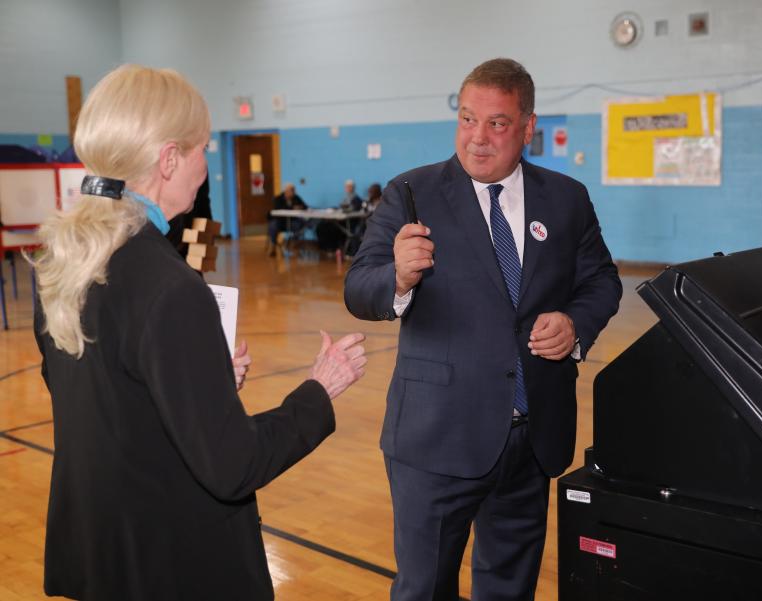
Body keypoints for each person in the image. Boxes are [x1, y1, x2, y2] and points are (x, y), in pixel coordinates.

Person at [31, 64, 367, 601]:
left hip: (105, 550)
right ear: (168, 159)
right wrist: (319, 389)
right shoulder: (170, 288)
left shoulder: (64, 260)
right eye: (202, 149)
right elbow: (234, 466)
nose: (206, 165)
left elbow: (103, 400)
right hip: (171, 560)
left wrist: (195, 388)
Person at [344, 58, 622, 600]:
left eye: (496, 123)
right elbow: (359, 288)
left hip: (531, 437)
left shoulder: (566, 198)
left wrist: (574, 325)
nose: (477, 138)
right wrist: (398, 276)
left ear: (527, 127)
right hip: (437, 440)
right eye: (467, 119)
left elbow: (602, 281)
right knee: (424, 589)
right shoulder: (412, 192)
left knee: (509, 589)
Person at [268, 182, 307, 256]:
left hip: (292, 221)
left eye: (294, 190)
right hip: (280, 221)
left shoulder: (296, 198)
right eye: (292, 190)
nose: (293, 192)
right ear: (286, 191)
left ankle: (292, 245)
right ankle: (273, 245)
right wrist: (292, 208)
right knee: (273, 226)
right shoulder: (278, 198)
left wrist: (300, 207)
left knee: (301, 224)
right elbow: (278, 208)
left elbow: (305, 206)